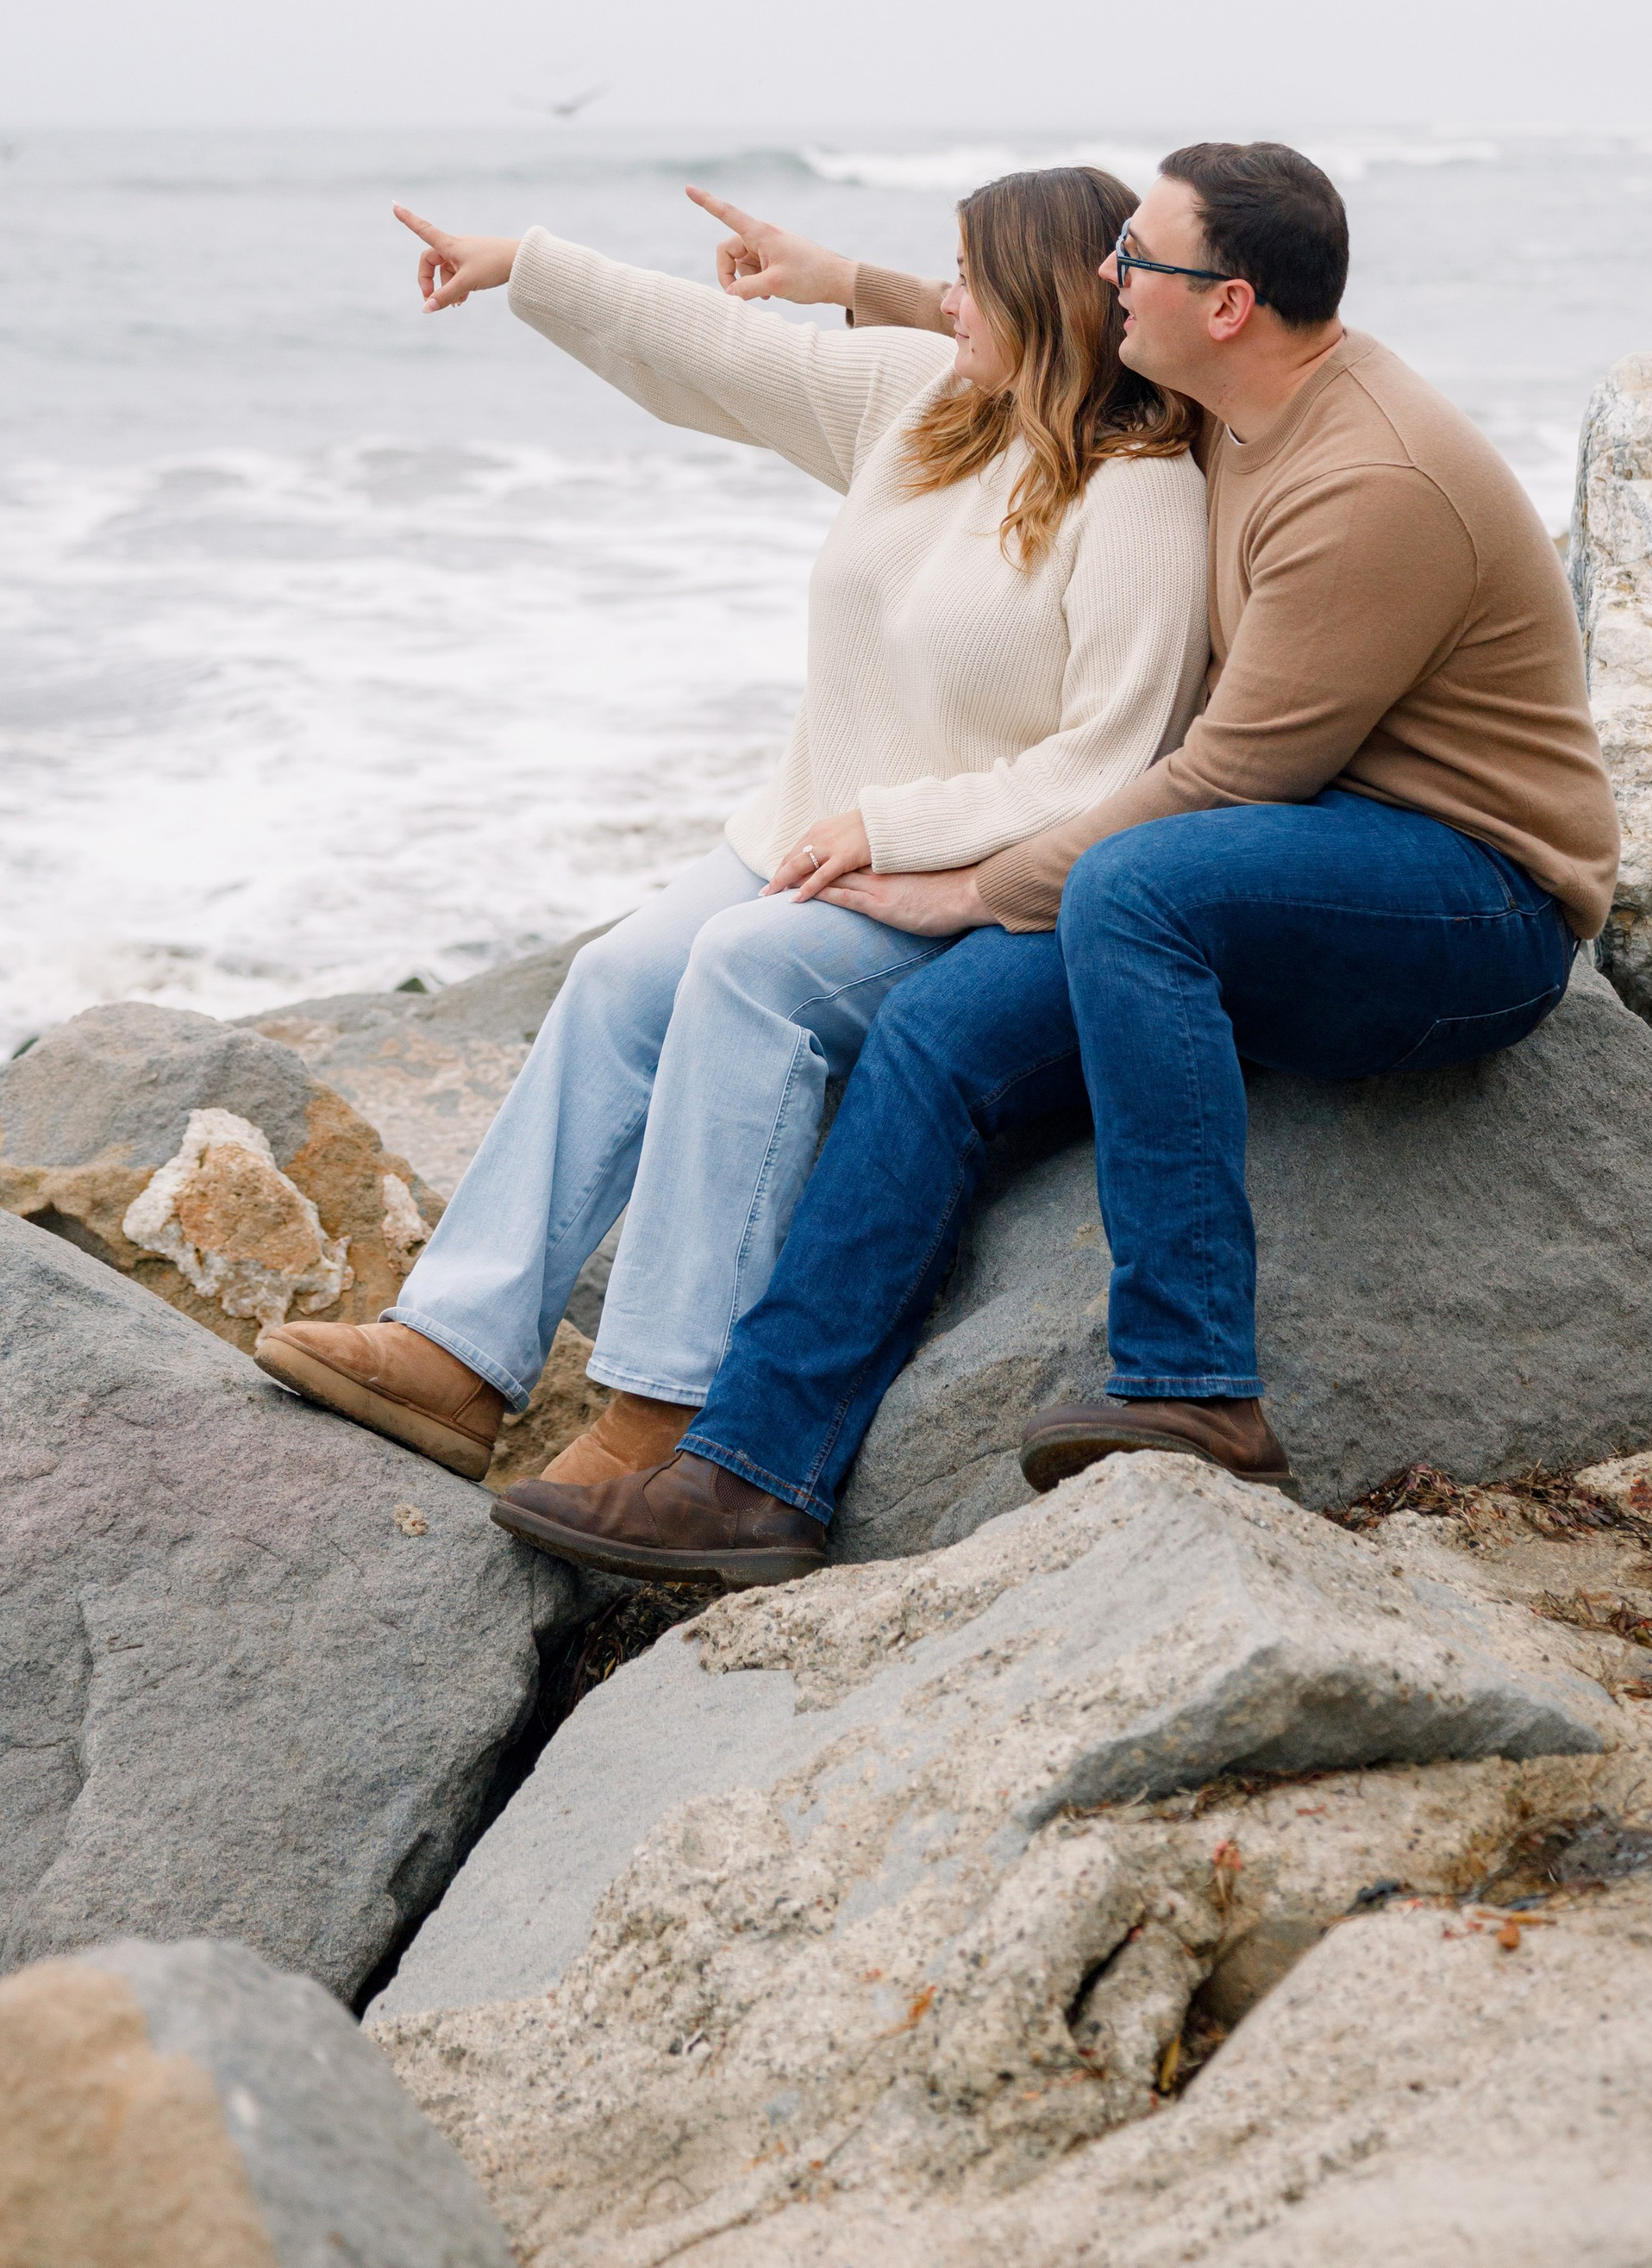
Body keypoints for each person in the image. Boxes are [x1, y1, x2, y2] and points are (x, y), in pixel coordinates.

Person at [493, 139, 1623, 1588]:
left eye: (1135, 259)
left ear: (1226, 303)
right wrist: (852, 283)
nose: (1108, 275)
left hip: (1470, 896)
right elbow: (1046, 329)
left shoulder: (1372, 483)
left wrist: (960, 889)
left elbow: (1224, 782)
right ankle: (753, 1479)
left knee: (1126, 889)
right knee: (932, 1034)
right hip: (1285, 862)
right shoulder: (1230, 391)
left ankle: (1195, 1384)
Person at [254, 166, 1208, 1488]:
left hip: (972, 877)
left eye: (967, 277)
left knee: (742, 979)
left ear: (1042, 302)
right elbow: (716, 354)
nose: (942, 299)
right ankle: (460, 1355)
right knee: (616, 975)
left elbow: (1112, 757)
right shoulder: (927, 402)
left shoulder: (1147, 489)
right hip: (805, 837)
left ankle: (661, 1408)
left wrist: (895, 825)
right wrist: (525, 263)